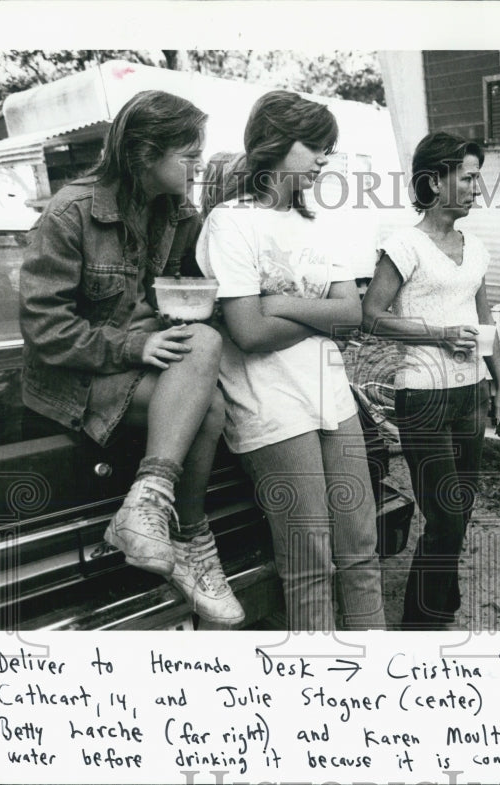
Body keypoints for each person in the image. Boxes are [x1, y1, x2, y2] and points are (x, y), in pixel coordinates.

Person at [19, 90, 245, 628]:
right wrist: (132, 343)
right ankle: (187, 537)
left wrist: (171, 312)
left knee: (205, 350)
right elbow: (44, 327)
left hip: (132, 362)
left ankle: (153, 516)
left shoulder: (176, 212)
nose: (197, 166)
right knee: (209, 402)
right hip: (68, 378)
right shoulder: (70, 211)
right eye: (188, 156)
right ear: (146, 154)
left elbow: (172, 293)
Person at [196, 90, 385, 632]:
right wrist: (316, 311)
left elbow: (352, 317)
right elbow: (248, 333)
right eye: (316, 146)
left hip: (334, 401)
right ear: (275, 143)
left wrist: (279, 302)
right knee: (309, 562)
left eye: (330, 148)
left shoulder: (322, 225)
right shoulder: (230, 223)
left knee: (361, 552)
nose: (326, 159)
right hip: (270, 405)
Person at [362, 131, 500, 630]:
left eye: (477, 177)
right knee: (446, 516)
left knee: (461, 509)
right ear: (435, 181)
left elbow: (484, 317)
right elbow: (372, 315)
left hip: (470, 394)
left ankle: (440, 603)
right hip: (423, 396)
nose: (476, 187)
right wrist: (438, 335)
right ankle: (419, 623)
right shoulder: (404, 245)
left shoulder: (476, 248)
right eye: (468, 177)